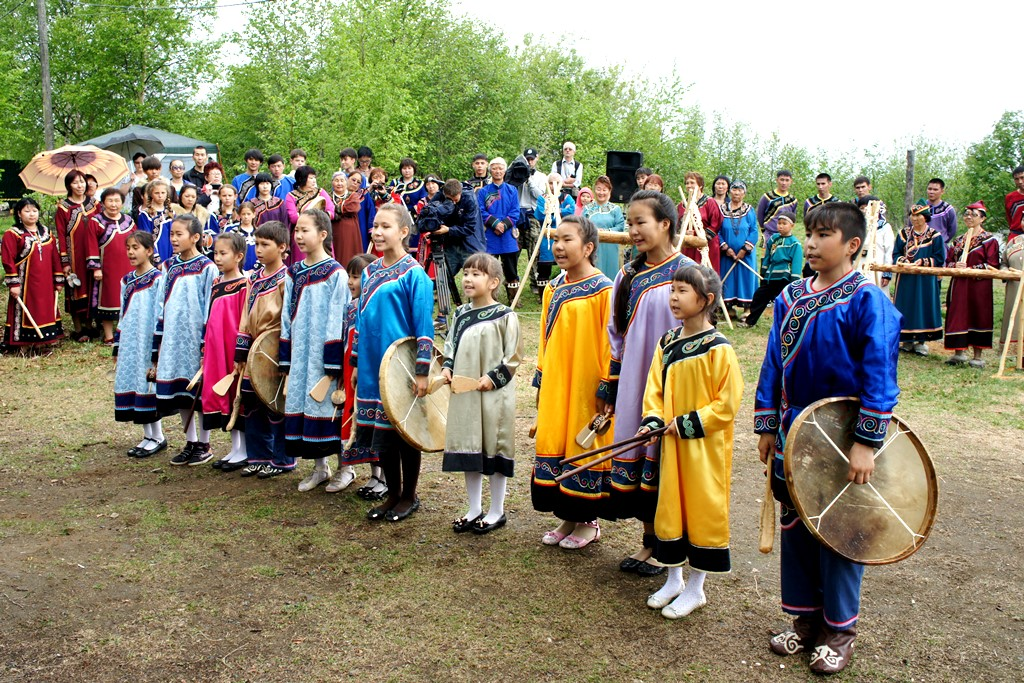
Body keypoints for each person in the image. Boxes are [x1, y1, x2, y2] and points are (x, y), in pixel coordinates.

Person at [755, 202, 901, 676]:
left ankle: (839, 630)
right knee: (797, 524)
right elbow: (774, 363)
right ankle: (804, 623)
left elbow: (880, 372)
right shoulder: (790, 298)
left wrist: (866, 440)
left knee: (839, 530)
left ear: (852, 245)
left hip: (842, 432)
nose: (812, 243)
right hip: (794, 429)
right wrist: (766, 426)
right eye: (809, 234)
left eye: (823, 235)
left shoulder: (867, 299)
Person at [640, 264, 742, 619]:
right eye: (673, 290)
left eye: (683, 291)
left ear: (707, 299)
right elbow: (654, 387)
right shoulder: (667, 342)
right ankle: (673, 579)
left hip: (704, 449)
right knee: (671, 507)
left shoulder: (719, 348)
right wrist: (653, 419)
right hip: (672, 445)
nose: (673, 298)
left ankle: (697, 588)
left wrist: (685, 424)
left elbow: (726, 404)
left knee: (701, 508)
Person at [601, 191, 694, 575]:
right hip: (637, 382)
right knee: (640, 456)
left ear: (665, 224)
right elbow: (617, 335)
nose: (633, 229)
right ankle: (649, 541)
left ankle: (671, 545)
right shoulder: (627, 275)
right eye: (629, 222)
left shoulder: (688, 272)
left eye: (641, 222)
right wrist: (610, 387)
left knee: (670, 461)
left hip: (677, 384)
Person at [345, 203, 434, 522]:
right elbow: (362, 320)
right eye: (375, 226)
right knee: (381, 434)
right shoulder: (369, 271)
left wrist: (422, 371)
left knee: (402, 432)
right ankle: (391, 494)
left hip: (401, 367)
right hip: (371, 366)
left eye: (385, 226)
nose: (377, 232)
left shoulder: (415, 275)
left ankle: (408, 496)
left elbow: (424, 326)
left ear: (403, 232)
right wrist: (355, 363)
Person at [531, 215, 614, 549]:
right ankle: (568, 517)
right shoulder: (553, 287)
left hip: (587, 385)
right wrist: (541, 379)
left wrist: (608, 387)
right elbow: (544, 339)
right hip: (557, 381)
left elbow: (613, 343)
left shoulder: (604, 289)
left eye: (567, 239)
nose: (559, 246)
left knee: (583, 444)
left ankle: (588, 522)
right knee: (559, 441)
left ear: (589, 247)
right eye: (556, 239)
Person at [443, 253, 522, 535]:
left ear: (493, 282)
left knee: (494, 447)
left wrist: (492, 378)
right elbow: (450, 347)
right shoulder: (460, 314)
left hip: (494, 395)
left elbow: (513, 356)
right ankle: (474, 508)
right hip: (465, 392)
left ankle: (497, 510)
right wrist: (447, 369)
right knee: (470, 447)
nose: (467, 279)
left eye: (476, 274)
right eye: (465, 273)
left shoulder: (505, 316)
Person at [280, 209, 351, 490]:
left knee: (331, 409)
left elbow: (339, 316)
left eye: (305, 230)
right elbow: (287, 315)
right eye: (296, 230)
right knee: (306, 407)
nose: (298, 236)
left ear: (322, 235)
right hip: (300, 354)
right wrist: (286, 356)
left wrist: (333, 361)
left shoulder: (336, 273)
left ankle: (345, 468)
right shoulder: (294, 272)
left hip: (324, 356)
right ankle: (319, 468)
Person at [152, 214, 218, 466]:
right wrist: (159, 335)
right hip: (172, 339)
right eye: (172, 234)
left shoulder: (207, 267)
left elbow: (209, 305)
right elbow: (162, 302)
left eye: (180, 234)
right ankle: (190, 442)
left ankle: (204, 442)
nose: (175, 239)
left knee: (197, 391)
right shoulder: (169, 266)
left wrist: (205, 340)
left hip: (195, 339)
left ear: (196, 237)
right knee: (181, 391)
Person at [234, 221, 293, 479]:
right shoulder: (254, 278)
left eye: (264, 245)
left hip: (274, 347)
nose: (258, 249)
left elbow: (288, 318)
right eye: (256, 244)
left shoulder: (286, 278)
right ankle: (258, 455)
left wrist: (284, 353)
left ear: (282, 248)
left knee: (275, 401)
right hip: (254, 347)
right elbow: (246, 314)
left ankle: (282, 458)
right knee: (252, 400)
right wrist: (241, 350)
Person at [113, 231, 165, 457]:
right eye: (129, 248)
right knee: (136, 383)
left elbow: (160, 312)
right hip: (131, 341)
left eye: (136, 247)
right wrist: (118, 344)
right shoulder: (126, 280)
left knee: (149, 385)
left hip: (148, 340)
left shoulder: (158, 279)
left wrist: (158, 342)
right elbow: (122, 314)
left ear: (149, 251)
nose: (131, 252)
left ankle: (158, 436)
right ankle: (147, 435)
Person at [202, 232, 249, 471]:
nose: (217, 258)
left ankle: (244, 450)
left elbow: (243, 320)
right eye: (215, 253)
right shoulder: (215, 283)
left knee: (236, 394)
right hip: (215, 347)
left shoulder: (243, 285)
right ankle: (235, 447)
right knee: (222, 395)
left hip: (232, 348)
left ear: (239, 256)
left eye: (223, 253)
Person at [333, 253, 379, 495]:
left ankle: (381, 477)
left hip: (367, 373)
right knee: (354, 419)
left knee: (372, 420)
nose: (351, 282)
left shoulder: (372, 306)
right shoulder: (349, 306)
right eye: (349, 276)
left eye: (356, 276)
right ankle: (369, 473)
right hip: (349, 371)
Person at [2, 198, 65, 352]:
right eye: (27, 211)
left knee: (45, 308)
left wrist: (58, 280)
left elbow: (55, 257)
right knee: (26, 308)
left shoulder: (47, 233)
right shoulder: (13, 234)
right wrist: (14, 283)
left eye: (34, 211)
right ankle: (23, 344)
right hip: (25, 282)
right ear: (19, 213)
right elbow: (8, 259)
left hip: (45, 282)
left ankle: (44, 341)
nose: (32, 214)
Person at [944, 201, 999, 367]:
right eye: (966, 214)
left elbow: (993, 264)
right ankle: (958, 353)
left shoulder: (989, 241)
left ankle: (977, 356)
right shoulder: (959, 241)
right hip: (960, 284)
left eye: (973, 215)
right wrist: (956, 266)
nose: (969, 217)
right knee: (958, 314)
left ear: (982, 219)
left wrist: (970, 268)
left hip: (978, 286)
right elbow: (948, 262)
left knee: (978, 315)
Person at [891, 203, 945, 356]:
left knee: (922, 305)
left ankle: (921, 342)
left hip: (925, 279)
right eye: (912, 215)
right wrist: (903, 260)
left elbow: (939, 257)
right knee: (905, 304)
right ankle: (906, 341)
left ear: (926, 217)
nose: (914, 218)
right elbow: (896, 253)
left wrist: (923, 262)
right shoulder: (903, 234)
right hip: (906, 277)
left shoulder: (935, 235)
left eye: (918, 215)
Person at [55, 169, 99, 339]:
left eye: (82, 181)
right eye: (75, 182)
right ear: (69, 185)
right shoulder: (63, 207)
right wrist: (64, 261)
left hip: (93, 252)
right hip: (74, 254)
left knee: (91, 285)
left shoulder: (94, 204)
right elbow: (61, 233)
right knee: (76, 288)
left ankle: (90, 325)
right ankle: (78, 328)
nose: (80, 185)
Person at [89, 188, 137, 344]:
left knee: (128, 297)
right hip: (107, 268)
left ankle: (127, 332)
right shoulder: (96, 221)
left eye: (117, 201)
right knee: (108, 298)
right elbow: (91, 246)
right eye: (110, 201)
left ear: (122, 203)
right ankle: (109, 334)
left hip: (128, 266)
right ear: (103, 203)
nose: (114, 204)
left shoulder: (129, 221)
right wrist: (96, 268)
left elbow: (137, 242)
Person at [745, 209, 802, 327]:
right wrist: (764, 272)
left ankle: (786, 325)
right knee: (759, 297)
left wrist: (794, 282)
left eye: (784, 224)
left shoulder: (795, 243)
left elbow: (796, 264)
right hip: (770, 277)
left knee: (784, 303)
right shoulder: (773, 239)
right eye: (779, 223)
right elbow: (767, 257)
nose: (780, 226)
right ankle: (750, 322)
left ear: (792, 226)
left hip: (783, 279)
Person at [478, 157, 521, 302]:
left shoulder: (512, 190)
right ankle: (489, 297)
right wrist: (495, 224)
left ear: (505, 170)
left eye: (500, 168)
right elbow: (481, 211)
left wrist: (503, 226)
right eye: (495, 168)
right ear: (490, 170)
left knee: (511, 269)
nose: (497, 171)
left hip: (508, 235)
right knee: (489, 268)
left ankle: (513, 298)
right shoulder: (483, 192)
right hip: (490, 234)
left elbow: (515, 211)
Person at [719, 180, 759, 321]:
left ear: (744, 193)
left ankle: (748, 309)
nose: (736, 193)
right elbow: (718, 231)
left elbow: (754, 230)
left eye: (740, 190)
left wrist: (744, 249)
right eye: (734, 189)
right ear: (730, 191)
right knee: (728, 278)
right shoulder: (722, 209)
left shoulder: (749, 210)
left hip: (745, 254)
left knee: (746, 278)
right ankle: (728, 309)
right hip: (727, 254)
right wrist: (726, 247)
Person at [533, 173, 575, 290]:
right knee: (545, 264)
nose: (553, 186)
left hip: (564, 234)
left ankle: (567, 289)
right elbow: (541, 214)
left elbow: (571, 210)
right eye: (551, 183)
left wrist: (555, 211)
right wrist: (557, 212)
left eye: (556, 183)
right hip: (547, 236)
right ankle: (543, 292)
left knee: (566, 262)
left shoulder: (566, 197)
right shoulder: (543, 198)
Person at [285, 166, 335, 265]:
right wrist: (316, 214)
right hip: (302, 233)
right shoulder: (291, 196)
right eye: (311, 178)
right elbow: (294, 218)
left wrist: (305, 214)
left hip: (320, 232)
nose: (314, 181)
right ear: (302, 179)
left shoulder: (321, 192)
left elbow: (331, 212)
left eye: (314, 178)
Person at [515, 148, 547, 293]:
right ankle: (513, 281)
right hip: (517, 215)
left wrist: (529, 180)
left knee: (534, 249)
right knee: (514, 250)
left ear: (536, 159)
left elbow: (540, 196)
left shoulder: (541, 177)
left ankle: (535, 282)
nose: (529, 162)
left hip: (532, 215)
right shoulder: (516, 173)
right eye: (527, 159)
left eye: (532, 159)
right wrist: (519, 176)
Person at [679, 172, 724, 273]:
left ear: (700, 185)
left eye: (692, 182)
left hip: (706, 245)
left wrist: (700, 238)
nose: (689, 185)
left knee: (705, 274)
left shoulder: (710, 202)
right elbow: (678, 225)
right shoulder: (682, 205)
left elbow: (716, 224)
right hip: (689, 246)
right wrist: (685, 233)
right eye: (687, 183)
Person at [584, 175, 625, 278]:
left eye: (604, 190)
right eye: (598, 189)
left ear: (609, 191)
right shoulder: (587, 209)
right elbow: (581, 225)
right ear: (594, 190)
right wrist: (593, 231)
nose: (601, 192)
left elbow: (620, 226)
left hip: (611, 247)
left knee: (610, 273)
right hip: (591, 245)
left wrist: (606, 231)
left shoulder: (615, 209)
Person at [855, 195, 895, 287]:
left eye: (868, 207)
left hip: (878, 269)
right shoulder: (856, 227)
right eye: (862, 208)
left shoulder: (885, 227)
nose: (865, 210)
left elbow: (889, 251)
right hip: (859, 267)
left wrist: (887, 273)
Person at [136, 178, 175, 265]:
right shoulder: (145, 214)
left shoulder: (171, 213)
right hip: (155, 254)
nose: (160, 195)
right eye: (157, 193)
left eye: (163, 193)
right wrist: (156, 258)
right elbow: (146, 239)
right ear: (151, 194)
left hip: (171, 253)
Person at [331, 171, 366, 268]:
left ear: (346, 183)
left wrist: (335, 209)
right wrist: (342, 208)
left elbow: (354, 207)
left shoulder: (353, 196)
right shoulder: (328, 197)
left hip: (350, 233)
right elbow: (324, 209)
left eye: (342, 180)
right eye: (336, 180)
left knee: (348, 256)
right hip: (333, 232)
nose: (339, 183)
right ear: (332, 182)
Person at [1001, 230, 1024, 359]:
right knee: (1015, 316)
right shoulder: (1014, 241)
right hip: (1015, 286)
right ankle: (1014, 354)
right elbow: (1004, 262)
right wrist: (1005, 271)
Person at [756, 169, 798, 241]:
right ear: (777, 180)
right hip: (769, 234)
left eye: (787, 180)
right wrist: (763, 229)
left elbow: (792, 217)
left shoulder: (793, 200)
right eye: (782, 180)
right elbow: (760, 214)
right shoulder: (767, 197)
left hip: (786, 235)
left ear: (791, 181)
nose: (784, 183)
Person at [922, 178, 957, 244]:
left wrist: (943, 241)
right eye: (929, 189)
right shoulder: (920, 207)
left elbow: (952, 230)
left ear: (942, 191)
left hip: (940, 246)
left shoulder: (948, 209)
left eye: (935, 189)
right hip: (922, 246)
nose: (931, 192)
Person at [232, 202, 259, 271]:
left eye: (248, 214)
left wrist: (256, 269)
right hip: (239, 271)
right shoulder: (234, 232)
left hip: (256, 270)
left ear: (254, 215)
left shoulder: (259, 233)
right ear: (240, 215)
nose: (246, 217)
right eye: (243, 214)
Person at [1004, 165, 1024, 240]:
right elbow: (1009, 219)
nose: (1020, 181)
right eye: (1016, 179)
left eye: (1022, 177)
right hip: (1016, 236)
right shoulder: (1010, 198)